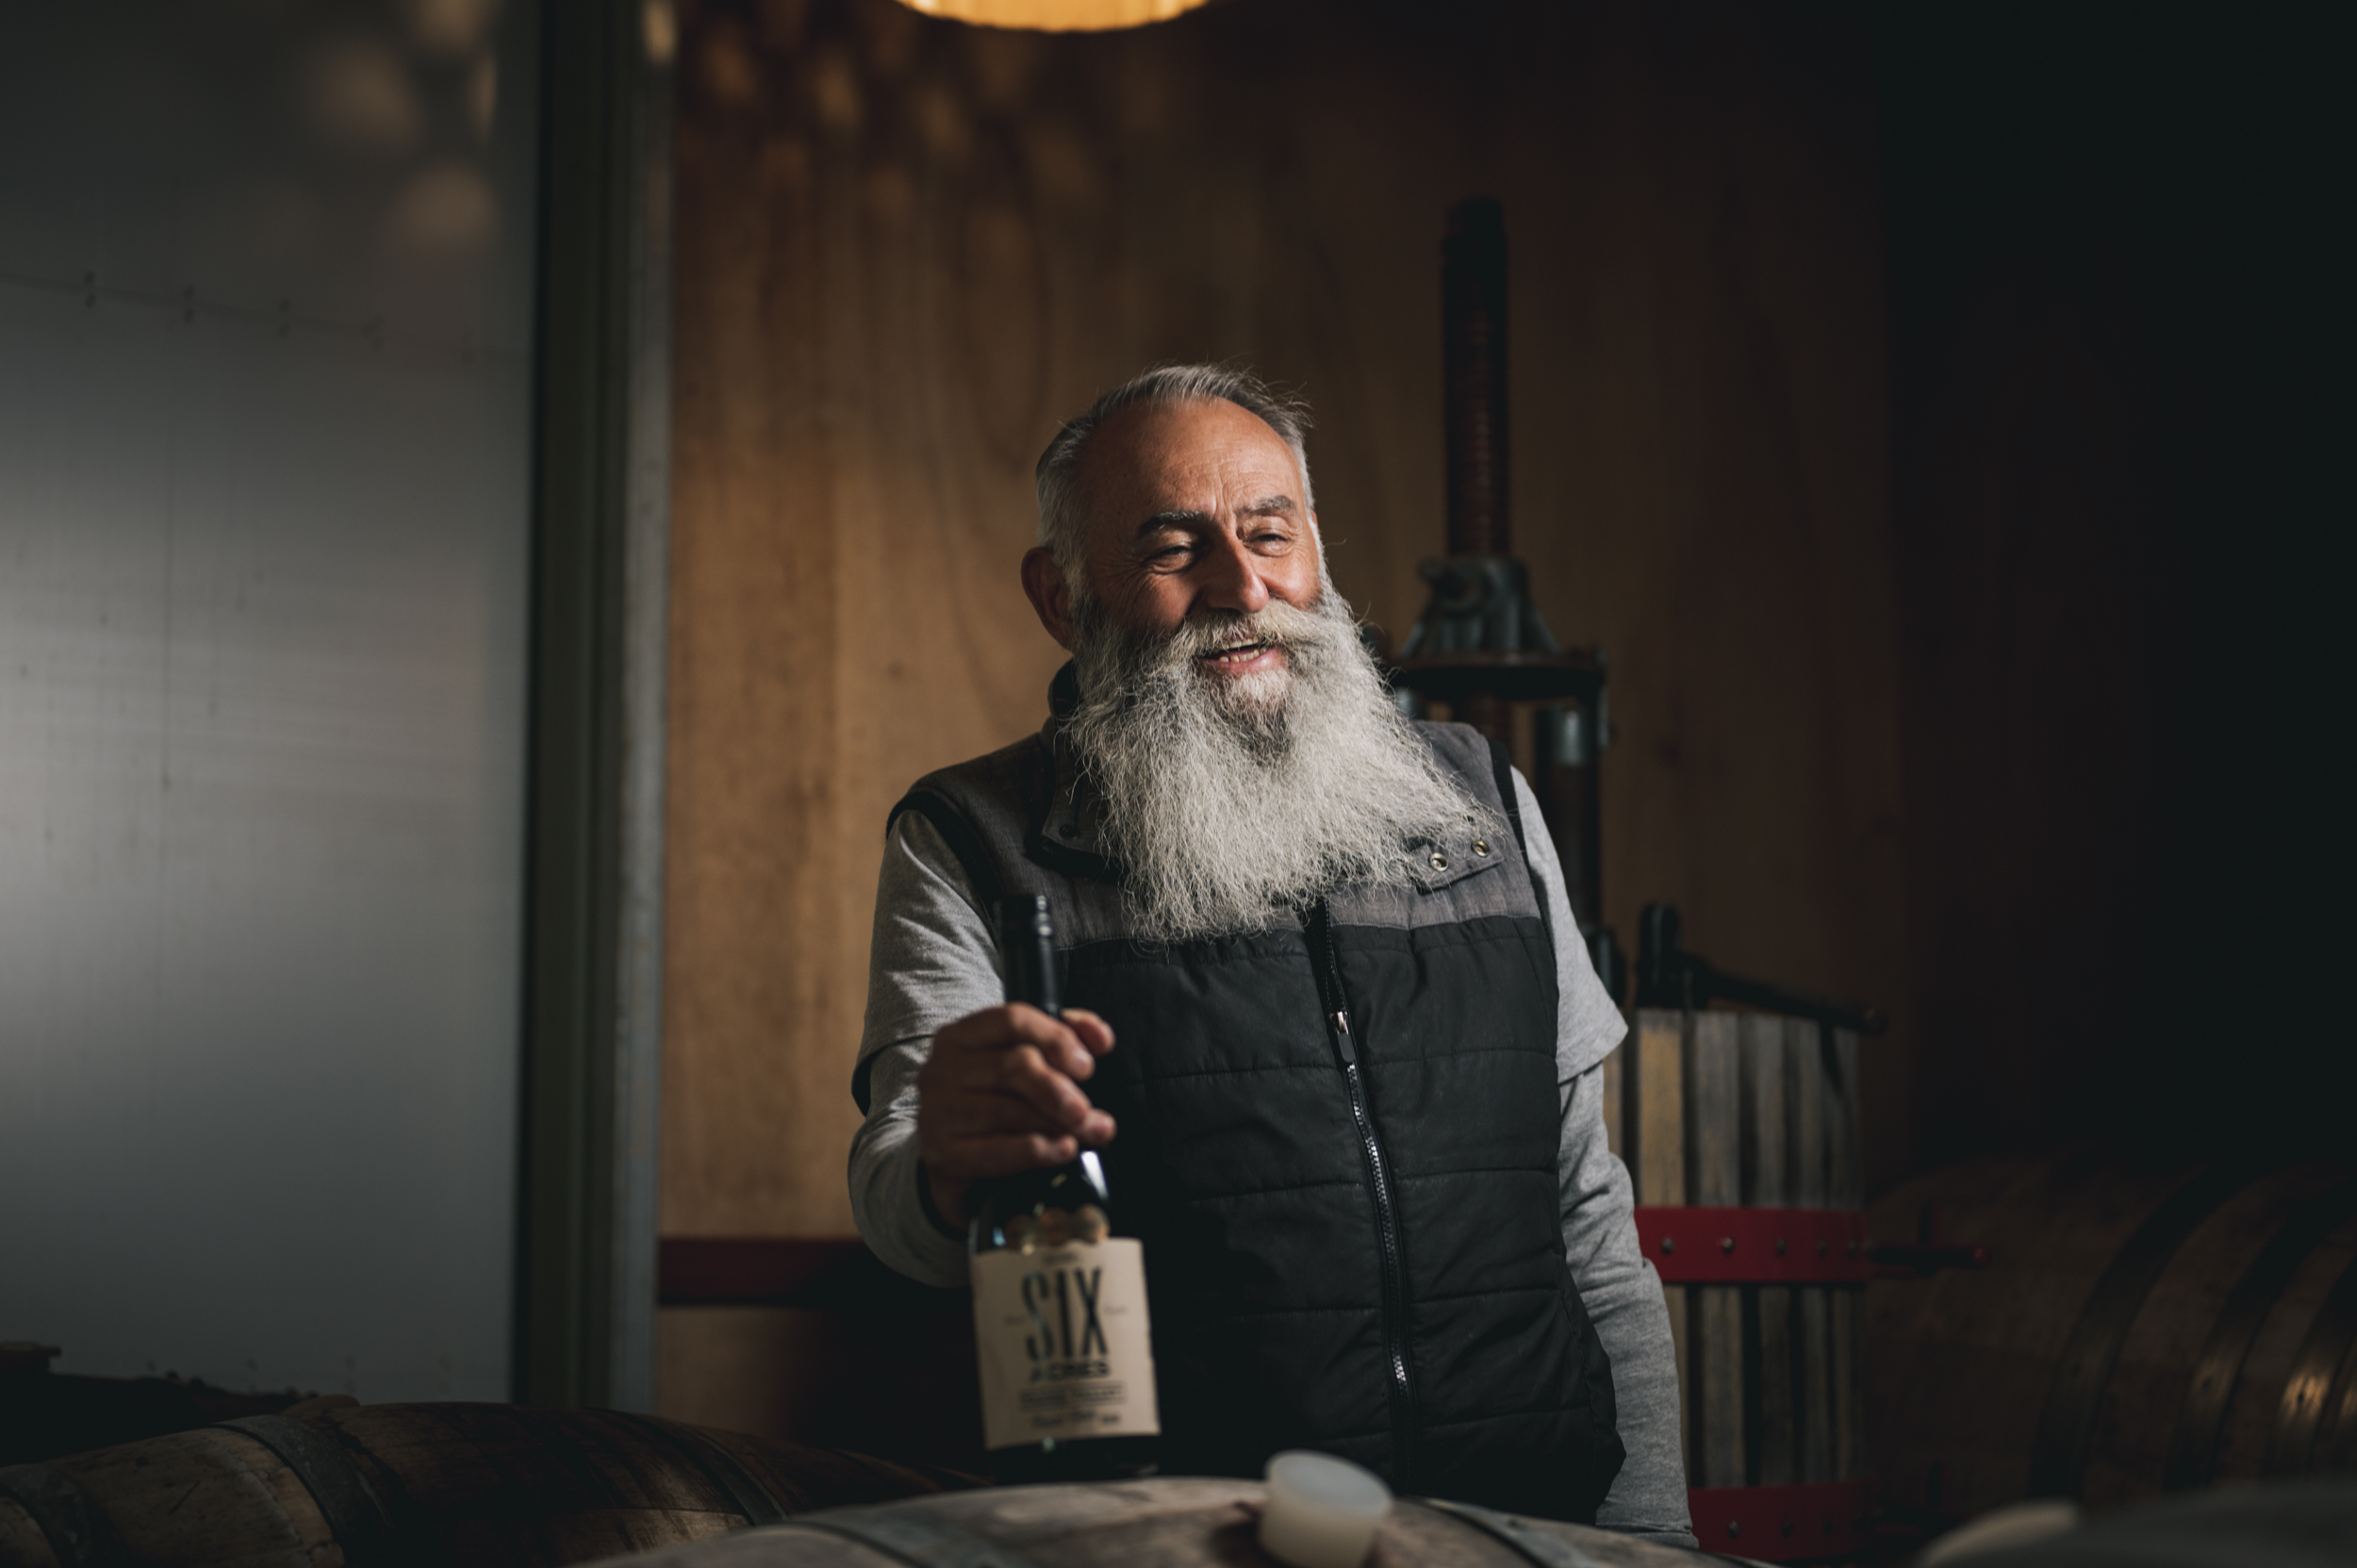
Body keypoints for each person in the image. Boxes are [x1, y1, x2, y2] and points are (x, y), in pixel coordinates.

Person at [848, 365, 1692, 1543]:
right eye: (1171, 546)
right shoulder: (968, 836)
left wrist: (1651, 1537)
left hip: (1530, 1525)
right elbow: (897, 1204)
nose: (1240, 586)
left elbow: (1588, 1212)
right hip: (1187, 1539)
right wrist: (946, 1153)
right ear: (1062, 593)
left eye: (1268, 533)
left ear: (1317, 561)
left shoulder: (1481, 795)